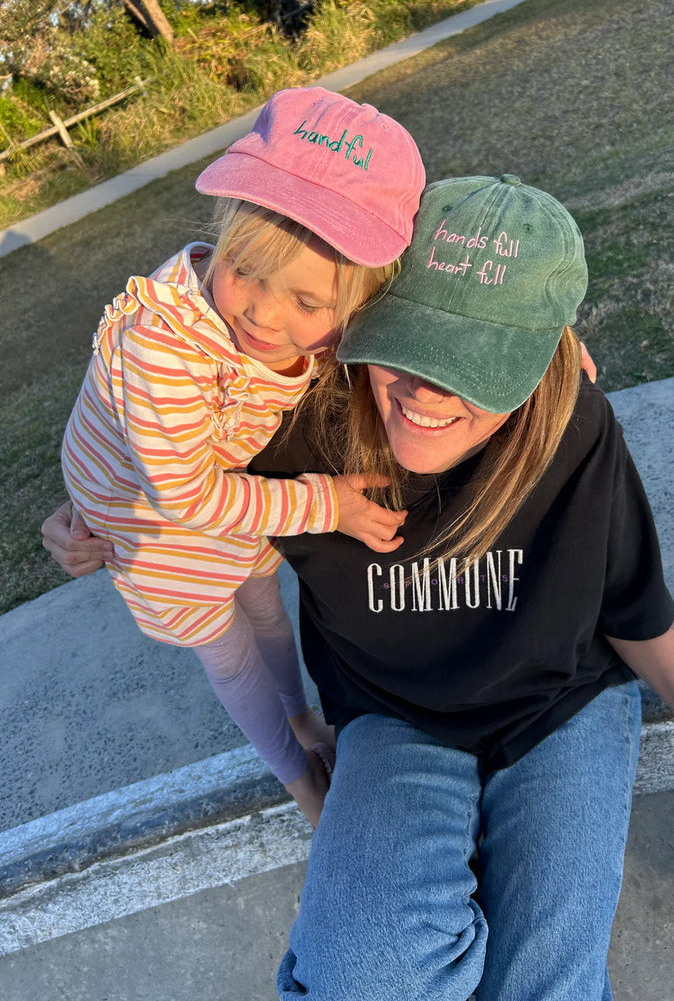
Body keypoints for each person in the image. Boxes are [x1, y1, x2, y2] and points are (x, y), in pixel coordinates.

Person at [44, 175, 674, 999]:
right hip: (393, 720)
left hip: (562, 707)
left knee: (547, 986)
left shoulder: (569, 426)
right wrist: (81, 519)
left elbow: (637, 611)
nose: (426, 392)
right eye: (412, 344)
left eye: (476, 366)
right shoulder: (299, 432)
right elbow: (164, 415)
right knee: (359, 978)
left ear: (539, 358)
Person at [59, 85, 425, 828]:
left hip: (220, 486)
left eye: (306, 304)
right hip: (142, 515)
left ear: (357, 298)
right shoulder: (163, 344)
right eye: (245, 269)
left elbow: (429, 310)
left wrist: (543, 341)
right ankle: (300, 782)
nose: (263, 312)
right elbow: (184, 497)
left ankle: (301, 721)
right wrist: (327, 502)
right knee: (226, 650)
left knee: (265, 603)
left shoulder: (327, 312)